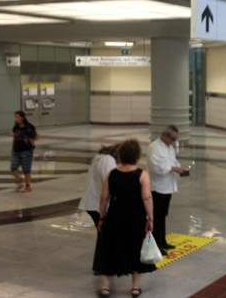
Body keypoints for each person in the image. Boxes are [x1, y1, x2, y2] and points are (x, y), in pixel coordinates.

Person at [94, 139, 155, 298]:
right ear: (137, 155)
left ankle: (105, 288)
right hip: (135, 217)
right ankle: (135, 288)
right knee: (136, 249)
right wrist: (150, 218)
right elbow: (147, 198)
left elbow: (104, 198)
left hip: (115, 216)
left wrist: (102, 218)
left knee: (110, 249)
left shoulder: (112, 174)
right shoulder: (142, 174)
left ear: (120, 155)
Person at [146, 125, 188, 256]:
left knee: (163, 216)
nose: (174, 141)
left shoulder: (169, 147)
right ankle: (156, 245)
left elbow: (173, 162)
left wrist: (181, 170)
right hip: (157, 188)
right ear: (165, 135)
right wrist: (174, 169)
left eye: (176, 139)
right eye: (173, 138)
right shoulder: (154, 147)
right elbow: (155, 167)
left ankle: (162, 241)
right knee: (156, 218)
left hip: (168, 187)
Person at [78, 144, 118, 274]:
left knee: (104, 235)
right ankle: (101, 266)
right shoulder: (108, 160)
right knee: (105, 235)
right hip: (98, 203)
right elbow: (111, 182)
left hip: (93, 202)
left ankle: (103, 265)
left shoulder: (100, 158)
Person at [11, 110, 40, 193]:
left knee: (26, 169)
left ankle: (28, 186)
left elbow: (38, 136)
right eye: (15, 117)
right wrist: (13, 148)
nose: (16, 119)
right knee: (13, 167)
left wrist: (31, 140)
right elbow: (14, 138)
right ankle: (19, 181)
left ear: (22, 118)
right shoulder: (16, 127)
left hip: (26, 151)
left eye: (18, 117)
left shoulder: (29, 127)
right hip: (16, 151)